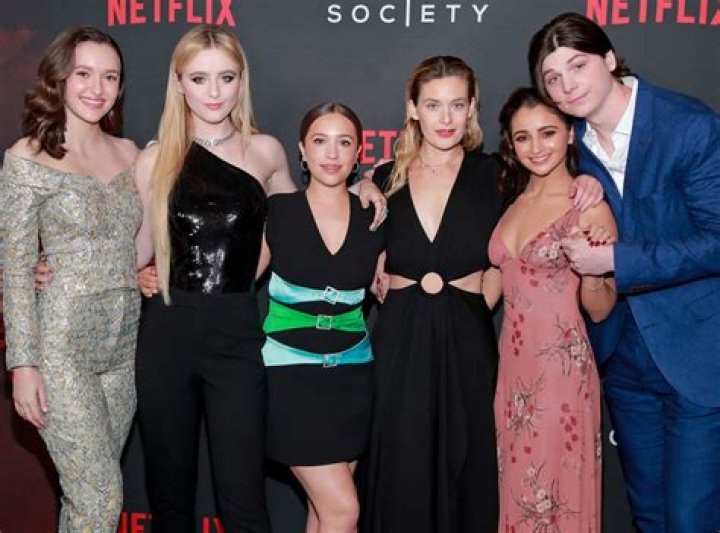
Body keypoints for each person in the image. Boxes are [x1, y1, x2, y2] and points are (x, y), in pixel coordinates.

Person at [132, 25, 386, 532]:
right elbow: (135, 250)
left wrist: (366, 184)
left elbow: (305, 217)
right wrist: (76, 268)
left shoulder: (266, 152)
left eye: (226, 77)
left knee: (243, 496)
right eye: (199, 78)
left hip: (238, 334)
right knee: (169, 493)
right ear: (178, 83)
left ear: (241, 81)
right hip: (166, 331)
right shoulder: (155, 158)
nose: (213, 91)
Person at [360, 56, 601, 533]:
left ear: (472, 107)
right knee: (401, 469)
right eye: (433, 105)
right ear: (413, 109)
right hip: (399, 338)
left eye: (457, 105)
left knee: (470, 468)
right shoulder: (385, 178)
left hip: (468, 336)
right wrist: (361, 188)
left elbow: (533, 214)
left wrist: (589, 178)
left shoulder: (496, 175)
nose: (446, 118)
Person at [529, 12, 720, 531]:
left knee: (690, 520)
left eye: (578, 65)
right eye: (553, 78)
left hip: (696, 356)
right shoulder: (571, 147)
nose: (568, 86)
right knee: (649, 515)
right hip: (624, 359)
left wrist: (618, 261)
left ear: (610, 59)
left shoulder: (688, 125)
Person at [1, 27, 140, 532]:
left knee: (86, 500)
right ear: (59, 78)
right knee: (100, 497)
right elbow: (15, 267)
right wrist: (23, 364)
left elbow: (144, 242)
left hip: (123, 350)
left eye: (110, 77)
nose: (97, 88)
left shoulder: (131, 154)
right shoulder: (26, 158)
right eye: (83, 73)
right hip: (61, 350)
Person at [483, 87, 616, 532]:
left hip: (562, 377)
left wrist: (591, 268)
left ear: (570, 134)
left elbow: (600, 309)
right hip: (512, 375)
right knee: (518, 495)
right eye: (523, 137)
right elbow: (487, 293)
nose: (536, 147)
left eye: (548, 133)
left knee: (554, 501)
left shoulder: (588, 207)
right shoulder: (511, 203)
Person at [259, 102, 383, 533]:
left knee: (324, 513)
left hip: (353, 379)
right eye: (320, 141)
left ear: (358, 152)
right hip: (290, 380)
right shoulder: (277, 212)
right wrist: (154, 272)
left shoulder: (374, 214)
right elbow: (232, 281)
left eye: (344, 142)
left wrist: (371, 183)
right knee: (343, 511)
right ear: (302, 150)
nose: (332, 154)